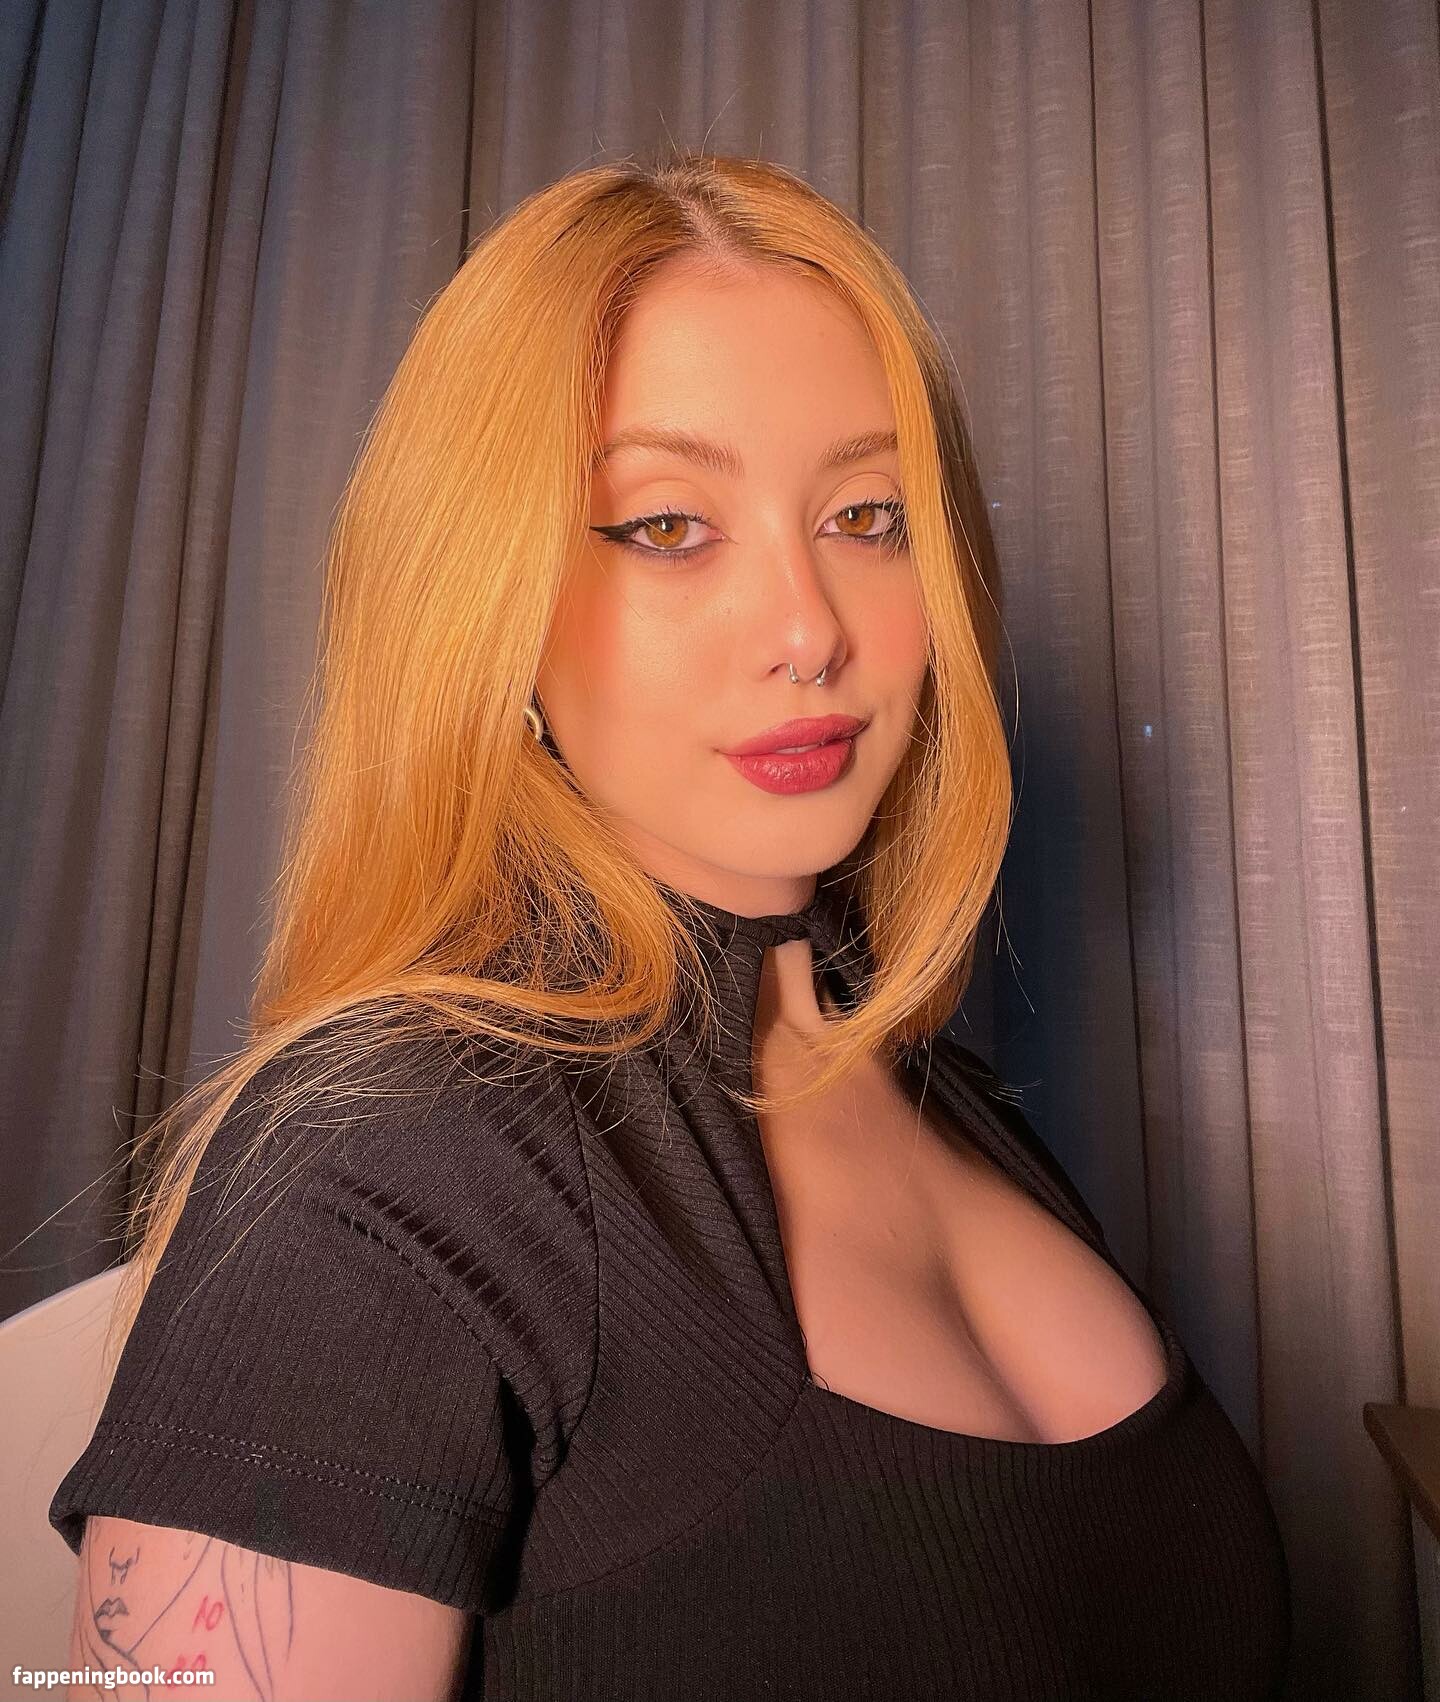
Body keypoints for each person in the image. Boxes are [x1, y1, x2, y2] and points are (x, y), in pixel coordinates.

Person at [49, 149, 1290, 1700]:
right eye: (666, 526)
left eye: (867, 512)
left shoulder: (933, 1084)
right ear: (484, 602)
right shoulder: (381, 1171)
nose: (808, 627)